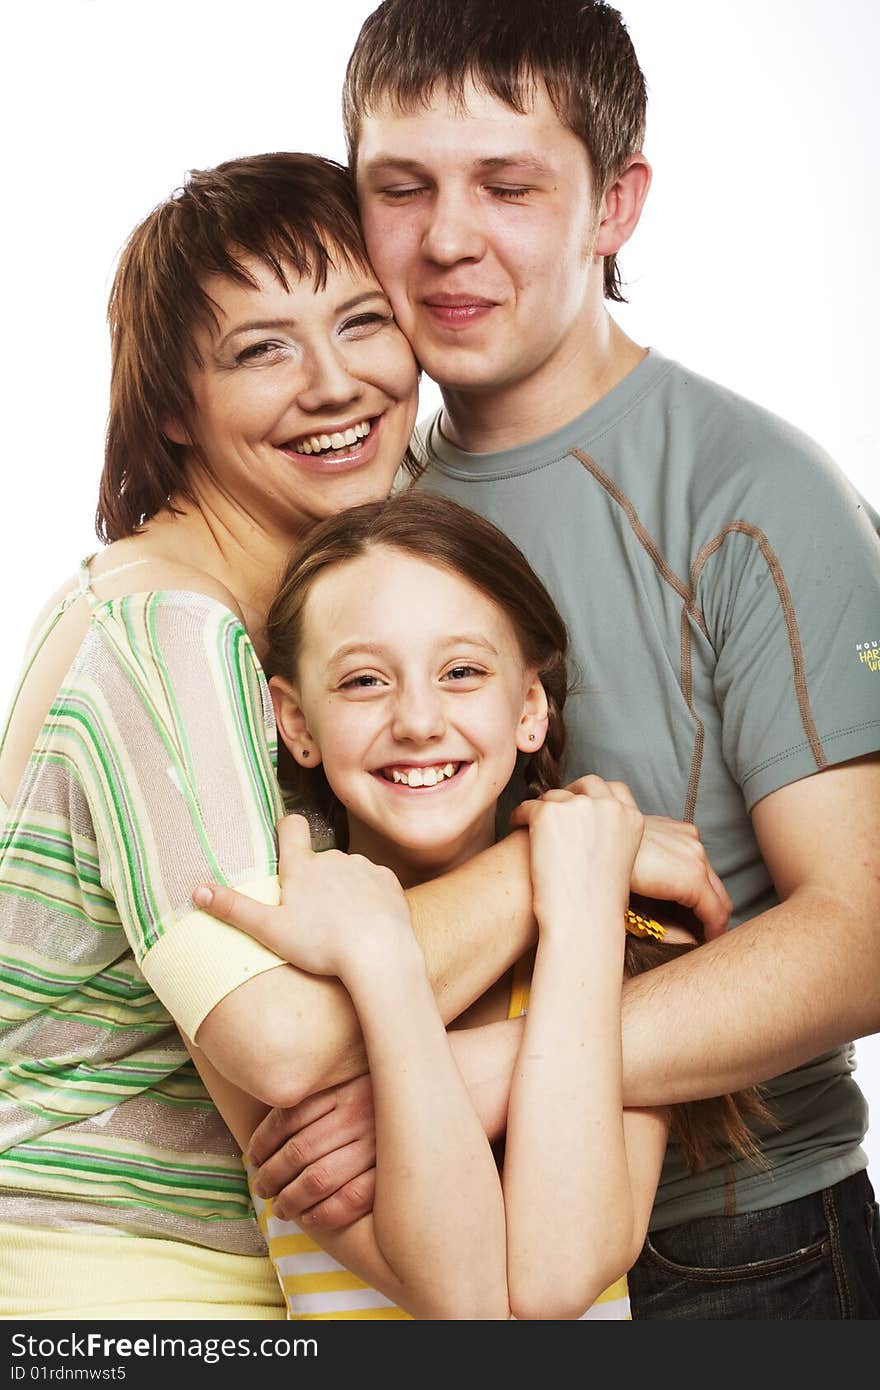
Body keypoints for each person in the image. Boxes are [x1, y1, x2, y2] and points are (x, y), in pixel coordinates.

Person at [204, 0, 880, 1319]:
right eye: (401, 188)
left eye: (509, 187)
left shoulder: (752, 494)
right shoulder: (360, 507)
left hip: (738, 1251)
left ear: (616, 204)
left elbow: (864, 929)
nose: (448, 238)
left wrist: (493, 1069)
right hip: (426, 1238)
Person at [0, 148, 723, 1319]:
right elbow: (280, 1042)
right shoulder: (168, 629)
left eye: (362, 322)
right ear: (173, 407)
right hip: (127, 1283)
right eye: (262, 348)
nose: (333, 385)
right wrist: (569, 859)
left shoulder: (279, 627)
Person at [195, 487, 770, 1320]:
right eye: (362, 680)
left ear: (529, 707)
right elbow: (465, 1307)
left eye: (462, 672)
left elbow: (555, 1278)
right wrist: (385, 960)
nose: (419, 720)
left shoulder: (635, 930)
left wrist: (577, 905)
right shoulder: (254, 970)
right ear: (295, 720)